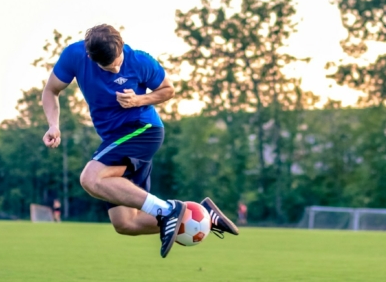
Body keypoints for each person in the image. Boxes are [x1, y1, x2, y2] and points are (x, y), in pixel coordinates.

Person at [42, 24, 239, 258]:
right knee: (126, 223)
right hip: (115, 138)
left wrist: (139, 100)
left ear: (122, 45)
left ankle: (169, 210)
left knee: (90, 178)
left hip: (143, 129)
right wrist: (54, 124)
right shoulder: (74, 55)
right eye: (107, 67)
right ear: (89, 56)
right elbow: (51, 91)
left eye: (117, 62)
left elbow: (168, 90)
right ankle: (204, 217)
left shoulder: (140, 61)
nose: (115, 70)